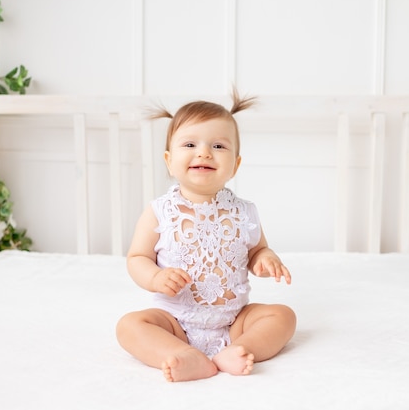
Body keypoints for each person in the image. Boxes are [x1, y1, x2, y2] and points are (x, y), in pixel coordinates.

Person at [115, 90, 296, 382]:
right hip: (174, 322)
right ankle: (180, 353)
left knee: (283, 316)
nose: (204, 152)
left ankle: (239, 349)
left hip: (235, 320)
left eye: (218, 145)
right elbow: (137, 257)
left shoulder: (244, 211)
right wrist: (155, 278)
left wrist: (266, 259)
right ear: (169, 160)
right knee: (130, 325)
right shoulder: (160, 211)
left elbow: (257, 250)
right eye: (189, 144)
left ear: (235, 164)